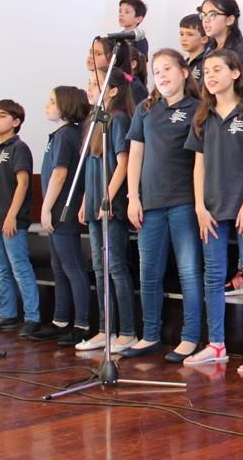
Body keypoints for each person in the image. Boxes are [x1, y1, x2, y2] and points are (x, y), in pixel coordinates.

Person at [184, 49, 243, 372]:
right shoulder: (202, 116)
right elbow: (199, 166)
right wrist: (199, 206)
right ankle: (216, 344)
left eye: (217, 69)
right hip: (212, 206)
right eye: (206, 71)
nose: (209, 76)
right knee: (213, 276)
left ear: (235, 73)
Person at [121, 49, 204, 362]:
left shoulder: (197, 108)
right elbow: (136, 155)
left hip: (183, 202)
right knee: (149, 272)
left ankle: (190, 337)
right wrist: (132, 196)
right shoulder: (145, 108)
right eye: (157, 71)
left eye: (168, 68)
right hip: (150, 203)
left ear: (184, 72)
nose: (162, 75)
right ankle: (150, 335)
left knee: (189, 272)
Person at [76, 68, 138, 354]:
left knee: (115, 267)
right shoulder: (93, 120)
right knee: (99, 270)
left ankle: (127, 331)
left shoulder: (119, 119)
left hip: (110, 207)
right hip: (94, 205)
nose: (90, 87)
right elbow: (91, 165)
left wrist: (107, 198)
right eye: (89, 83)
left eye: (96, 84)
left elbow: (122, 163)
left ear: (113, 91)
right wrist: (86, 200)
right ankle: (105, 329)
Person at [29, 86, 92, 347]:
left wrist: (45, 208)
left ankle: (82, 324)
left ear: (65, 106)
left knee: (72, 267)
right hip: (56, 209)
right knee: (58, 266)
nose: (47, 105)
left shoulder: (67, 135)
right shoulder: (58, 135)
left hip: (63, 209)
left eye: (52, 101)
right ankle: (60, 320)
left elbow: (60, 174)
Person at [0, 99, 40, 338]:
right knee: (2, 269)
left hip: (11, 220)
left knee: (20, 268)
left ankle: (33, 317)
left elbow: (23, 183)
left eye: (1, 116)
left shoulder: (19, 148)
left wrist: (11, 215)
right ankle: (7, 314)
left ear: (15, 122)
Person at [199, 0, 243, 96]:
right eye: (203, 15)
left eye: (212, 14)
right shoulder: (210, 47)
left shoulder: (241, 50)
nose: (206, 20)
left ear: (230, 20)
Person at [179, 13, 209, 85]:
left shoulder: (206, 62)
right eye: (181, 34)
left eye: (190, 34)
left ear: (204, 39)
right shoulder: (183, 63)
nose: (184, 39)